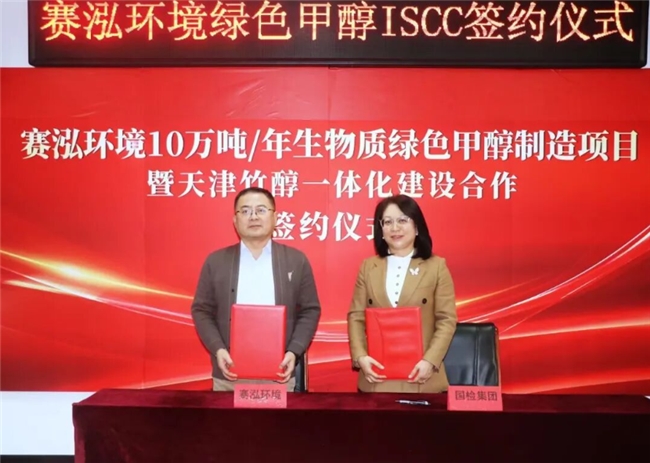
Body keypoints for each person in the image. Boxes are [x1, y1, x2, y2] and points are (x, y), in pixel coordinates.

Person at [191, 187, 321, 392]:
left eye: (261, 210)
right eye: (245, 211)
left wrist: (294, 351)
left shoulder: (296, 260)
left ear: (275, 218)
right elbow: (201, 310)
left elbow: (310, 310)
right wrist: (218, 349)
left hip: (279, 376)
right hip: (228, 375)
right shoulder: (216, 261)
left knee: (277, 416)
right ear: (235, 220)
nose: (253, 216)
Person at [347, 195, 458, 393]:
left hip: (423, 378)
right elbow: (356, 317)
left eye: (402, 220)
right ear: (381, 230)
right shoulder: (368, 267)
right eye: (388, 222)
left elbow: (446, 320)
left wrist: (430, 361)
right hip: (376, 378)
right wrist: (360, 357)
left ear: (417, 227)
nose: (395, 228)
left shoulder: (436, 267)